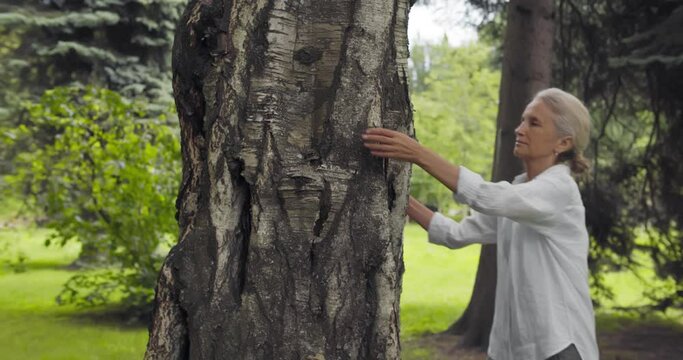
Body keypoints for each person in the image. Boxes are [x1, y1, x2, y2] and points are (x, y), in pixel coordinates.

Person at [361, 88, 599, 360]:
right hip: (512, 351)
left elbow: (487, 196)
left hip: (558, 347)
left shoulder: (558, 190)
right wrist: (397, 193)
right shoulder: (521, 193)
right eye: (523, 120)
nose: (520, 129)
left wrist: (417, 153)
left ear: (563, 143)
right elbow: (455, 234)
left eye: (534, 123)